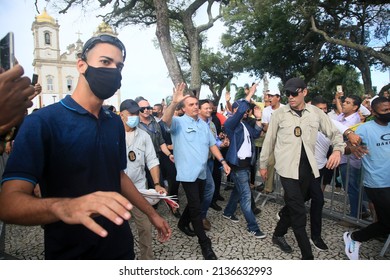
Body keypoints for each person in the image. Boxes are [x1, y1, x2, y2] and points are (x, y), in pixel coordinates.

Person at [0, 34, 171, 260]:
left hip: (120, 247)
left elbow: (118, 176)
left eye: (118, 66)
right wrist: (65, 207)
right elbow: (9, 203)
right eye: (105, 62)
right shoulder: (42, 123)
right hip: (71, 253)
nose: (113, 71)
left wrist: (151, 213)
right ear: (81, 65)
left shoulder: (114, 124)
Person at [260, 77, 345, 260]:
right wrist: (263, 164)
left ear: (304, 92)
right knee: (298, 211)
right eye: (287, 93)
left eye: (294, 93)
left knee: (294, 205)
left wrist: (337, 150)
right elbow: (269, 141)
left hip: (309, 168)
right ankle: (308, 256)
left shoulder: (315, 113)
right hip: (287, 169)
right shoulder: (279, 114)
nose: (290, 97)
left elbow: (335, 133)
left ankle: (278, 234)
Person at [162, 83, 231, 260]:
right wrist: (173, 102)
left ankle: (182, 223)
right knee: (195, 206)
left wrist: (223, 161)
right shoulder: (178, 122)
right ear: (183, 108)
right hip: (187, 172)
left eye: (196, 104)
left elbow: (211, 144)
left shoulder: (202, 124)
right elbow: (165, 120)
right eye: (191, 104)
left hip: (202, 171)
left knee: (197, 201)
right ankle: (204, 244)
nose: (195, 107)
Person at [119, 99, 167, 260]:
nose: (135, 117)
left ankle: (147, 261)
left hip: (139, 189)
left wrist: (157, 184)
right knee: (117, 230)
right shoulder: (112, 134)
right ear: (121, 115)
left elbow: (152, 161)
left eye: (136, 113)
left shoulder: (144, 135)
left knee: (145, 228)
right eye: (131, 114)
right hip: (116, 190)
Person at [343, 97, 390, 260]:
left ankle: (355, 238)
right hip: (376, 183)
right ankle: (355, 238)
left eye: (389, 109)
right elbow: (346, 147)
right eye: (384, 110)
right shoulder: (365, 128)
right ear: (374, 112)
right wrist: (352, 147)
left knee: (385, 223)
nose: (388, 112)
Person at [222, 84, 267, 239]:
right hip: (238, 166)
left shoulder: (244, 124)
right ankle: (253, 227)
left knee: (237, 191)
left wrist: (259, 118)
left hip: (246, 165)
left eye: (247, 110)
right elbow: (241, 109)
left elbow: (256, 134)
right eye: (243, 109)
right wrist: (250, 94)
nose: (246, 111)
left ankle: (228, 212)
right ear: (235, 110)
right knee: (246, 197)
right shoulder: (230, 124)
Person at [261, 91, 284, 194]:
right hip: (270, 140)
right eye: (268, 96)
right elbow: (265, 127)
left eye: (272, 96)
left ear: (278, 98)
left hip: (283, 141)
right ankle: (268, 187)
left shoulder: (285, 109)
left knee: (285, 165)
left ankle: (286, 190)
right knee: (270, 163)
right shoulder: (266, 110)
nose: (269, 98)